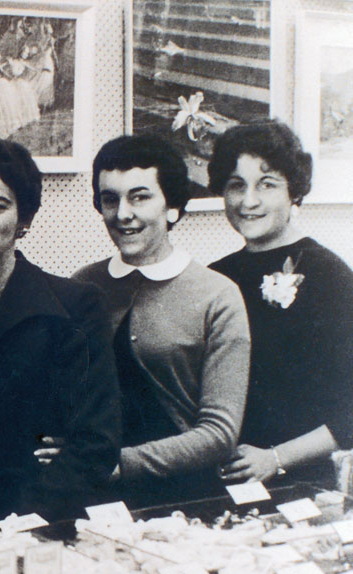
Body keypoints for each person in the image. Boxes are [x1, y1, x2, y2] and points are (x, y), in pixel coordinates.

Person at [0, 139, 121, 521]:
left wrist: (17, 524)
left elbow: (95, 446)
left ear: (24, 220)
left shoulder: (75, 305)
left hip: (39, 522)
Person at [74, 135, 251, 507]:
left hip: (183, 499)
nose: (123, 213)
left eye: (140, 197)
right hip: (88, 493)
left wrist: (118, 465)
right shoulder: (81, 286)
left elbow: (220, 434)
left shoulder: (217, 295)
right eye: (110, 199)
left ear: (172, 207)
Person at [208, 120, 353, 488]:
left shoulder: (335, 281)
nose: (248, 201)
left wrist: (276, 458)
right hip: (217, 480)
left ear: (295, 193)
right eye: (236, 185)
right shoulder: (216, 277)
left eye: (267, 184)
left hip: (299, 483)